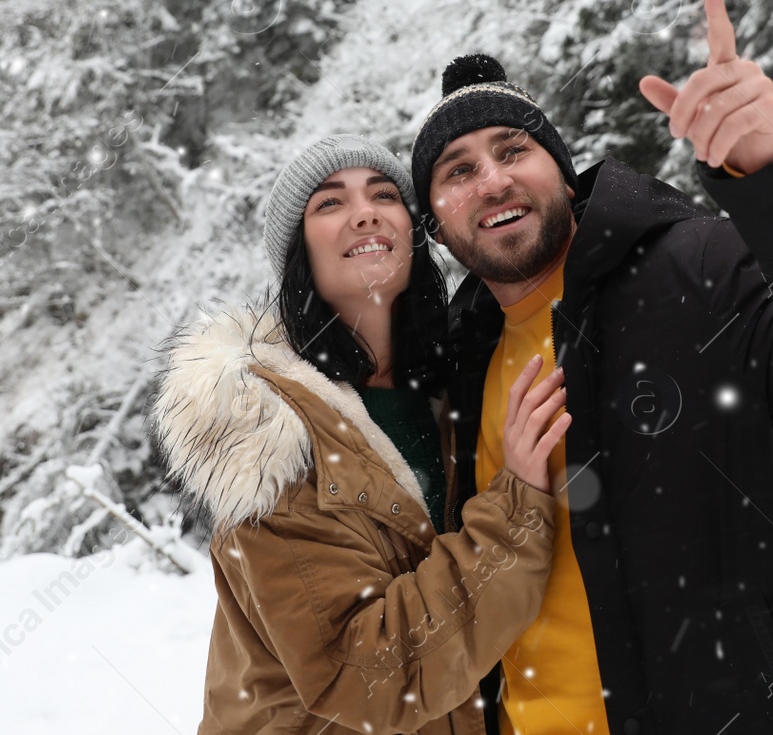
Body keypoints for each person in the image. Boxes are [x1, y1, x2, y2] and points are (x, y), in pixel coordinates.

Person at [410, 0, 773, 735]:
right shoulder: (456, 363)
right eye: (457, 170)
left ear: (565, 174)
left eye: (514, 150)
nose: (494, 179)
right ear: (437, 229)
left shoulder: (696, 267)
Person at [150, 134, 572, 734]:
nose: (365, 211)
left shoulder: (452, 390)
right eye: (329, 203)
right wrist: (514, 514)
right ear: (299, 254)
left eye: (383, 194)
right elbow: (366, 671)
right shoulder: (264, 429)